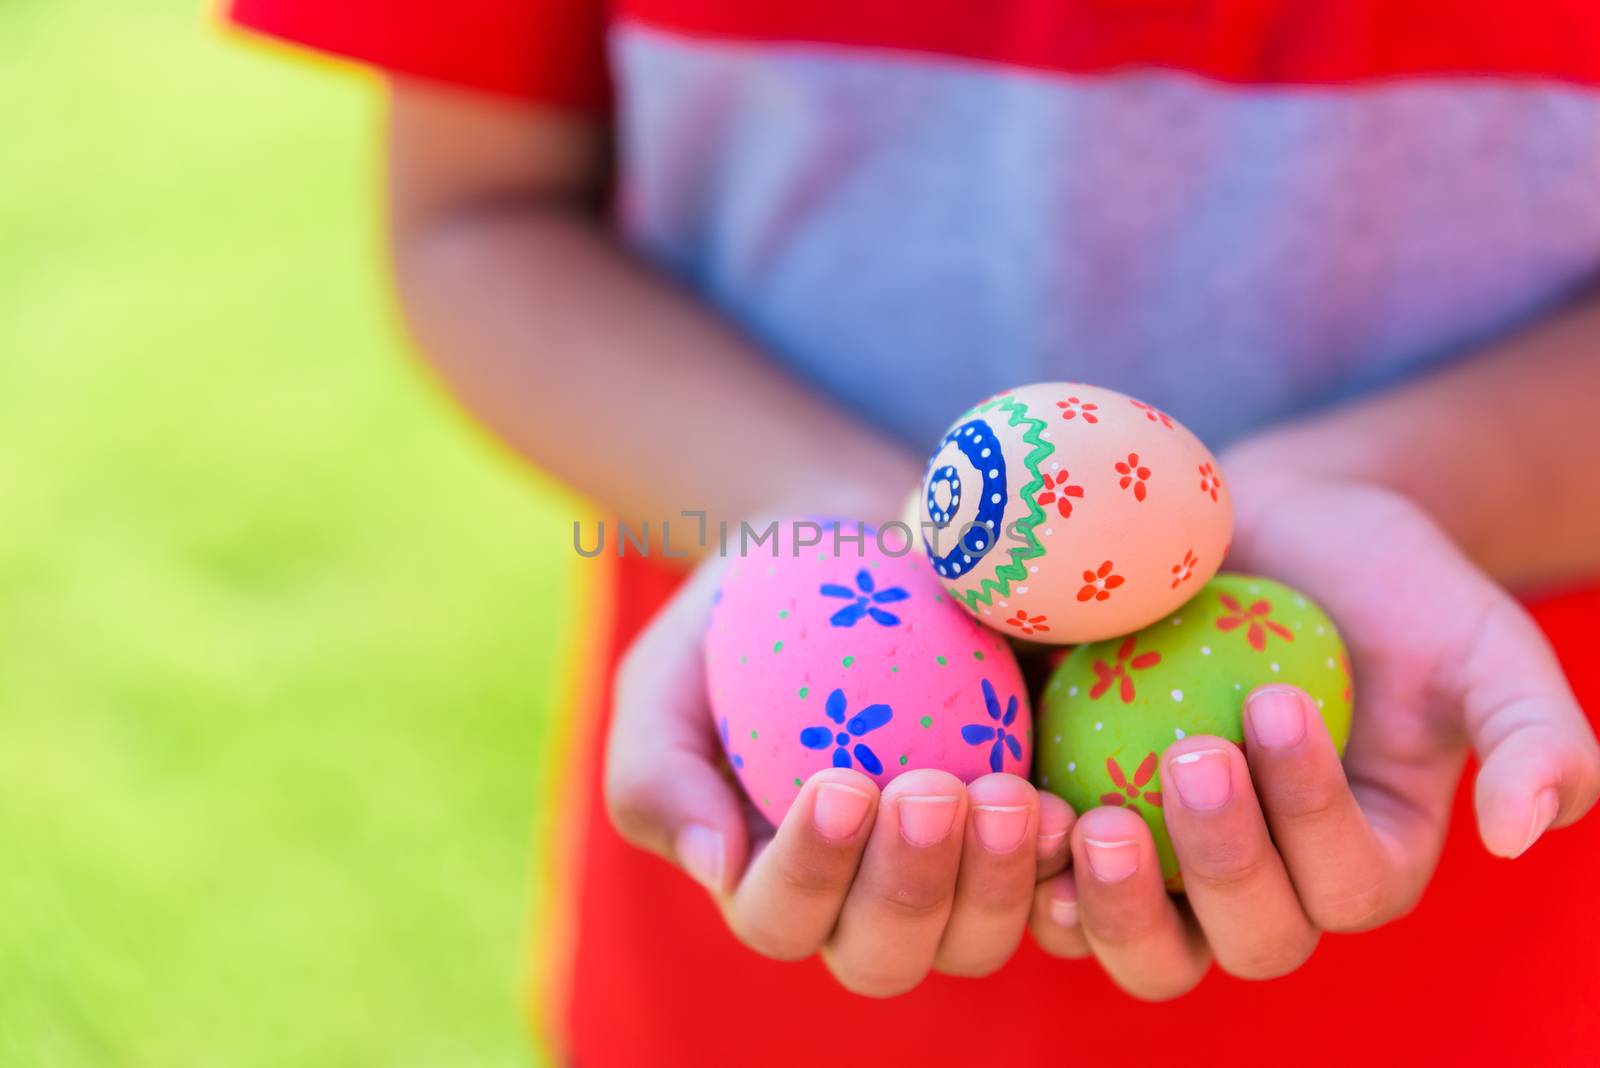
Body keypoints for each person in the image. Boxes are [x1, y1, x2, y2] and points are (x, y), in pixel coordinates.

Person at [227, 2, 1600, 1064]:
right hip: (781, 915)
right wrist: (807, 519)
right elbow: (481, 211)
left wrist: (1414, 481)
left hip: (1463, 873)